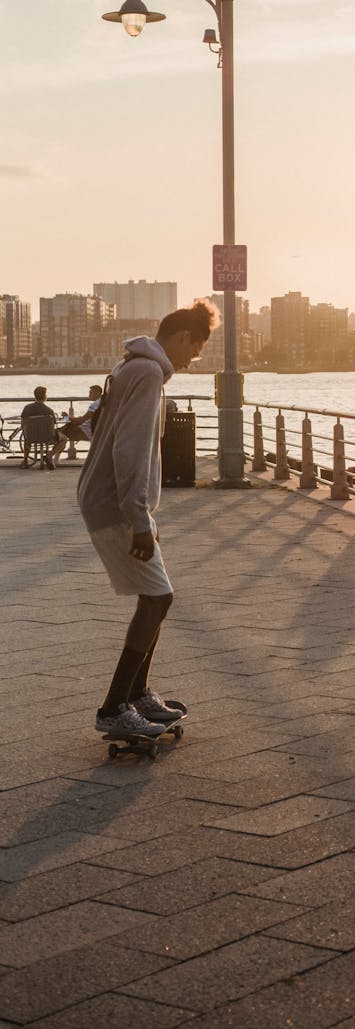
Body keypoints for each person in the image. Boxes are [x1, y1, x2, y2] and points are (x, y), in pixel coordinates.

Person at [78, 299, 220, 739]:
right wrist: (138, 516)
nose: (192, 359)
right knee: (158, 598)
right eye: (194, 349)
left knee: (155, 595)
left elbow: (104, 430)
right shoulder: (148, 372)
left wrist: (144, 514)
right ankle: (115, 706)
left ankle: (137, 695)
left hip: (108, 498)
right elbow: (131, 448)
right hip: (115, 502)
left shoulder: (131, 367)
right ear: (181, 337)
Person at [52, 384, 103, 464]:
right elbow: (84, 419)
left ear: (97, 393)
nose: (89, 395)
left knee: (61, 434)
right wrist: (70, 419)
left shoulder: (95, 405)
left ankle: (52, 457)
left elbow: (80, 421)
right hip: (95, 429)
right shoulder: (102, 403)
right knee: (67, 427)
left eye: (90, 393)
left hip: (87, 431)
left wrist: (67, 418)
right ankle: (55, 459)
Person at [20, 386, 66, 469]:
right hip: (47, 437)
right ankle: (49, 455)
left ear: (35, 396)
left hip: (31, 436)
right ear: (45, 396)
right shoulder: (49, 410)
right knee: (64, 439)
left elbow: (22, 424)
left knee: (26, 435)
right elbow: (53, 426)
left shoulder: (27, 408)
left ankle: (25, 460)